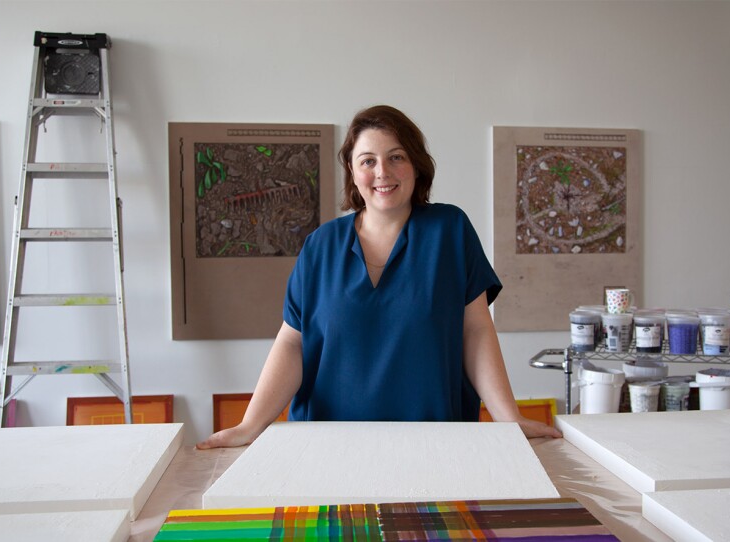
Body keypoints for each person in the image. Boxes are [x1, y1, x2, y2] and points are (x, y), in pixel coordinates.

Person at [197, 105, 561, 449]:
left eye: (396, 157)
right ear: (353, 173)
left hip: (436, 443)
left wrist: (508, 418)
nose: (382, 172)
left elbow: (476, 330)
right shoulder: (320, 246)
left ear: (416, 166)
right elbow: (293, 343)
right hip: (327, 445)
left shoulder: (450, 231)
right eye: (368, 161)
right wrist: (249, 426)